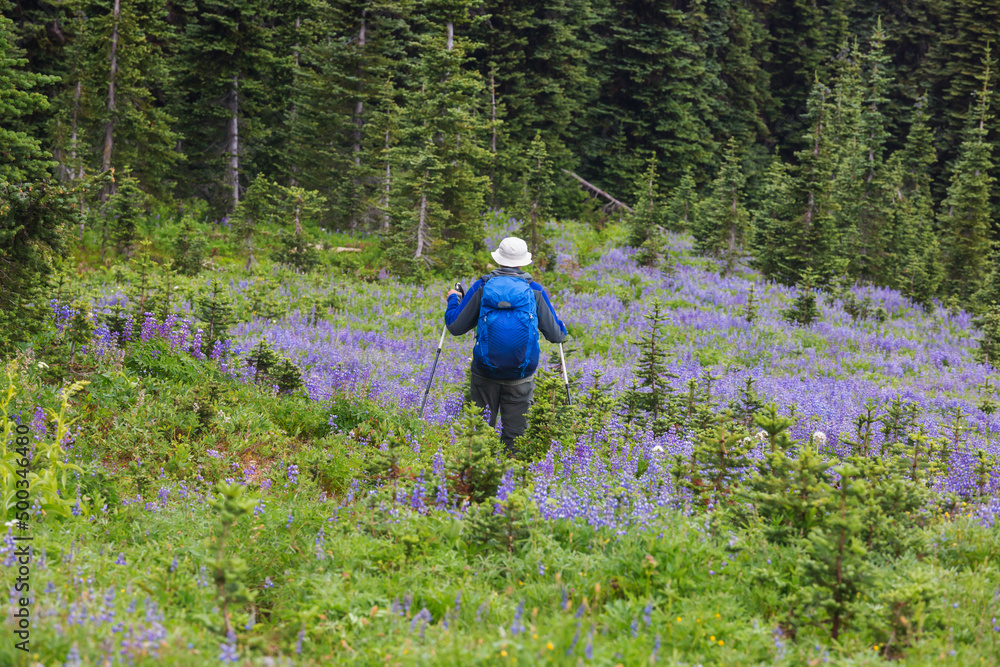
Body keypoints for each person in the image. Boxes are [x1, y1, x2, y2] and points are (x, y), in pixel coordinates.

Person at [445, 236, 567, 452]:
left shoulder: (482, 286)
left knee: (479, 433)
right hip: (521, 374)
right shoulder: (535, 290)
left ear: (499, 259)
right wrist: (561, 326)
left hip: (484, 372)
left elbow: (455, 326)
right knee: (516, 436)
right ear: (522, 261)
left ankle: (478, 474)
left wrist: (453, 299)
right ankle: (512, 476)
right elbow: (556, 336)